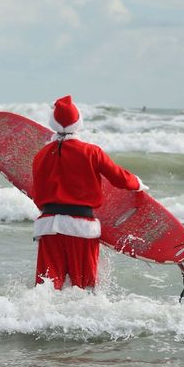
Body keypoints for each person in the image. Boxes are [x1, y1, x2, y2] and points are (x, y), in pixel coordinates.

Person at [31, 95, 148, 290]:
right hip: (81, 228)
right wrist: (137, 184)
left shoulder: (41, 155)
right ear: (78, 124)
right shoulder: (91, 152)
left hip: (49, 227)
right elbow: (119, 177)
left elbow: (37, 193)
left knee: (48, 287)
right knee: (85, 287)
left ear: (53, 124)